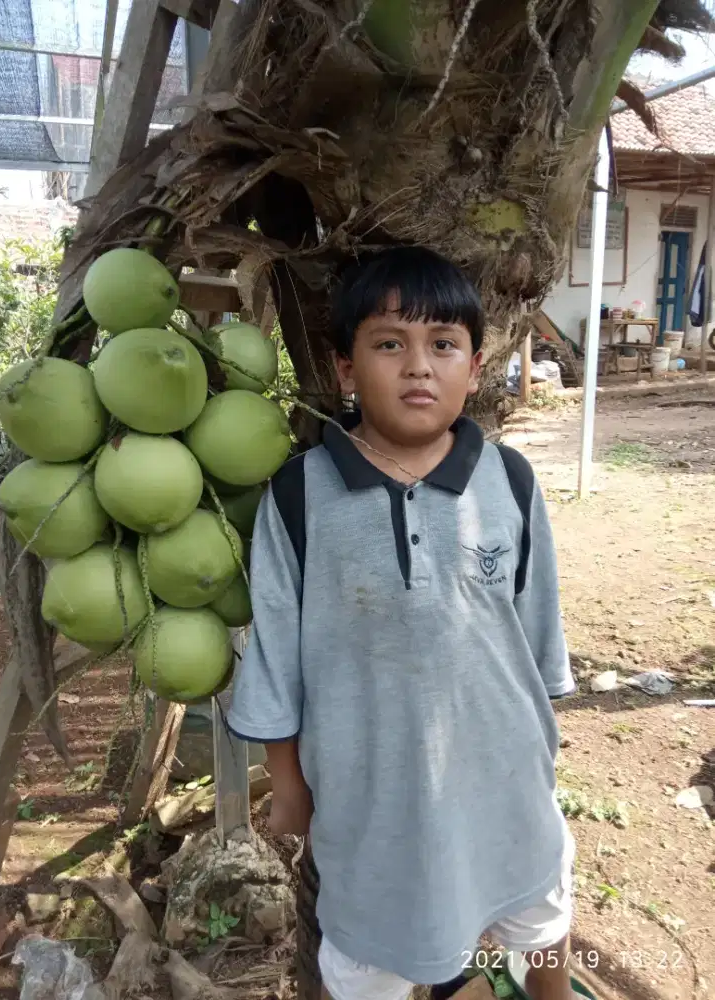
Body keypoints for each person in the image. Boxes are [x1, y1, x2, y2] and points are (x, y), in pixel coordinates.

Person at [227, 246, 577, 1000]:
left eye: (443, 345)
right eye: (390, 343)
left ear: (475, 369)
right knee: (370, 961)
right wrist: (289, 789)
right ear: (347, 371)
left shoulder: (509, 481)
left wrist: (543, 755)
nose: (419, 366)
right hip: (368, 801)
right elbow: (278, 660)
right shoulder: (299, 496)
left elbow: (538, 640)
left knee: (538, 924)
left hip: (506, 788)